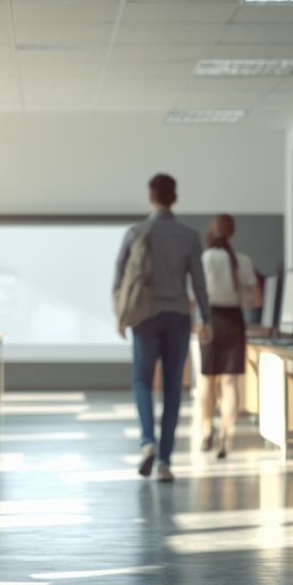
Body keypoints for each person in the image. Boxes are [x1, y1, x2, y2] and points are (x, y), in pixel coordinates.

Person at [114, 173, 209, 482]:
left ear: (150, 197)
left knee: (142, 381)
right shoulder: (189, 236)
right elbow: (199, 282)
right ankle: (165, 462)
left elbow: (119, 279)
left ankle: (147, 442)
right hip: (178, 316)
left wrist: (121, 315)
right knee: (172, 389)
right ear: (175, 198)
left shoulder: (136, 232)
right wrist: (205, 318)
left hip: (144, 317)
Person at [196, 214, 258, 459]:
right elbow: (254, 295)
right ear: (232, 232)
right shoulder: (242, 260)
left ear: (211, 232)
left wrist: (200, 322)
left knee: (207, 381)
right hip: (234, 321)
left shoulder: (207, 257)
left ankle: (204, 431)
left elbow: (198, 293)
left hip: (210, 319)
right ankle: (226, 436)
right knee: (230, 383)